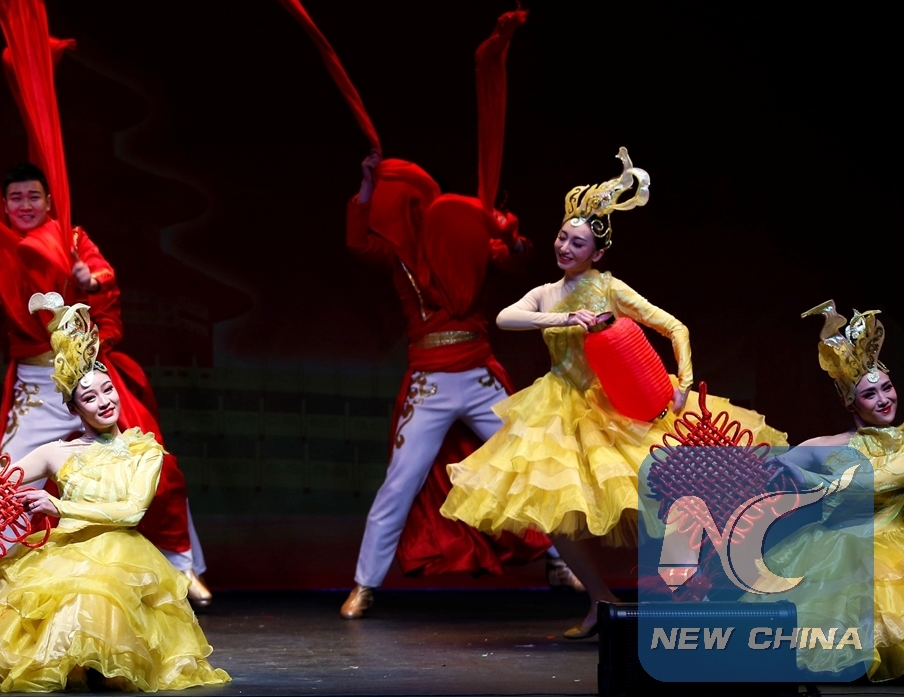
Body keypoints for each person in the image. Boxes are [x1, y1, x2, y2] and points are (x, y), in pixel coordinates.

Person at [439, 148, 787, 637]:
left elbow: (675, 327)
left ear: (597, 254)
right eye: (563, 237)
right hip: (560, 408)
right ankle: (600, 600)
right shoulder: (546, 293)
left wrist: (684, 386)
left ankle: (698, 590)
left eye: (577, 243)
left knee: (663, 496)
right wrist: (565, 318)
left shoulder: (609, 288)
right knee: (555, 513)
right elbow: (505, 318)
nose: (565, 247)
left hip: (619, 402)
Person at [0, 297, 230, 692]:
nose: (104, 401)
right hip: (64, 553)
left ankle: (101, 665)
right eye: (90, 397)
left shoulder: (145, 450)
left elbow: (132, 512)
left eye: (107, 390)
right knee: (50, 635)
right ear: (74, 409)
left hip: (122, 558)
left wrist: (58, 505)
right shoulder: (56, 452)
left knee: (99, 596)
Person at [0, 162, 209, 605]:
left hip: (86, 378)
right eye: (16, 198)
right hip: (36, 385)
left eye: (33, 196)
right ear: (4, 205)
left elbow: (102, 278)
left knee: (155, 465)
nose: (25, 205)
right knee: (4, 483)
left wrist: (87, 281)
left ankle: (180, 565)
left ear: (49, 201)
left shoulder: (72, 239)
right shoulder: (1, 245)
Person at [341, 142, 569, 619]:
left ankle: (560, 561)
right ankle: (364, 585)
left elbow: (516, 258)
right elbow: (359, 243)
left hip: (479, 377)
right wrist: (366, 184)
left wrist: (510, 235)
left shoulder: (470, 243)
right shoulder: (399, 254)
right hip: (429, 385)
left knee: (527, 468)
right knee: (400, 484)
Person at [743, 302, 899, 681]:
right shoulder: (826, 445)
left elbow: (871, 483)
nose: (884, 399)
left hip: (890, 540)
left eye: (887, 387)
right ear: (850, 402)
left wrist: (805, 480)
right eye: (870, 394)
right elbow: (767, 468)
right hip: (836, 545)